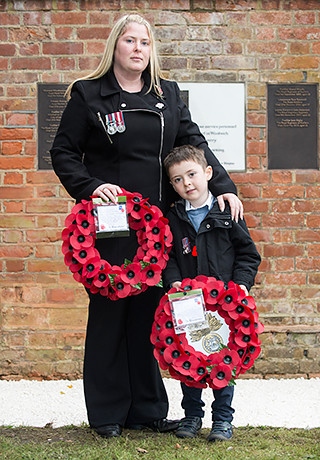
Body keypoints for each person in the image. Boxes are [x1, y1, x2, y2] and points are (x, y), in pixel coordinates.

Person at [50, 13, 243, 439]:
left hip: (161, 229)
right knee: (110, 313)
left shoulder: (167, 95)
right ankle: (106, 413)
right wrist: (91, 186)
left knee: (151, 315)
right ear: (115, 47)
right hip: (113, 226)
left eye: (145, 43)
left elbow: (195, 144)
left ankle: (147, 410)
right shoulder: (88, 96)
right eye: (130, 41)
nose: (138, 48)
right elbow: (63, 152)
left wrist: (223, 186)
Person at [162, 144, 261, 441]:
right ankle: (192, 417)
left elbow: (248, 255)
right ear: (172, 185)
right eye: (178, 180)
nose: (187, 184)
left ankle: (222, 420)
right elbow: (167, 258)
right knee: (187, 357)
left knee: (222, 359)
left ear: (207, 173)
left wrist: (241, 285)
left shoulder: (227, 211)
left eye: (191, 175)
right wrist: (175, 282)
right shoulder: (174, 217)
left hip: (224, 306)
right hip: (188, 304)